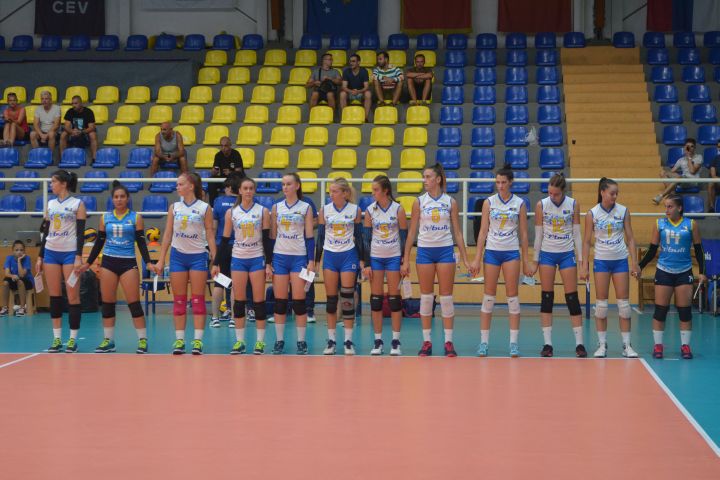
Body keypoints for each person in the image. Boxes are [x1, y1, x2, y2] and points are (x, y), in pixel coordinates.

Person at [402, 163, 470, 357]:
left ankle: (448, 342)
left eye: (428, 177)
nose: (425, 180)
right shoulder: (419, 202)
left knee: (446, 298)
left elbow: (457, 232)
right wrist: (405, 259)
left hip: (445, 251)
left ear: (438, 179)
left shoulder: (450, 202)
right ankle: (427, 342)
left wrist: (466, 259)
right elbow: (411, 233)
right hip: (425, 251)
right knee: (426, 297)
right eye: (424, 177)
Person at [78, 181, 154, 354]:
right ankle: (108, 340)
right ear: (112, 199)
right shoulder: (105, 218)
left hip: (128, 262)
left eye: (122, 197)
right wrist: (88, 263)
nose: (119, 199)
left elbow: (141, 243)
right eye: (116, 197)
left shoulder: (136, 217)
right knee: (108, 303)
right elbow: (99, 242)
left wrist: (149, 262)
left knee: (134, 303)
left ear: (127, 199)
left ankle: (142, 340)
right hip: (109, 262)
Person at [470, 167, 531, 358]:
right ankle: (483, 342)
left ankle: (513, 343)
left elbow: (523, 234)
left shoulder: (519, 203)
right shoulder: (489, 202)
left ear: (510, 182)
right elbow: (482, 231)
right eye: (498, 182)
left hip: (511, 252)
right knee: (488, 297)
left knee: (512, 298)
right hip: (492, 252)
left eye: (504, 182)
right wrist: (477, 258)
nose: (500, 186)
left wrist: (526, 260)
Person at [636, 194, 706, 359]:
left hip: (684, 272)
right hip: (664, 271)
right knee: (660, 310)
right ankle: (658, 345)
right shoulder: (659, 224)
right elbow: (652, 249)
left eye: (670, 206)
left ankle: (685, 346)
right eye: (665, 207)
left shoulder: (691, 224)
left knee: (685, 311)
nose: (666, 210)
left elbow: (699, 249)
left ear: (679, 208)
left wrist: (703, 272)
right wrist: (640, 266)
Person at [154, 173, 216, 355]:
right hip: (178, 257)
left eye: (180, 184)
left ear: (191, 186)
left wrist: (215, 260)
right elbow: (167, 234)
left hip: (198, 257)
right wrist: (161, 259)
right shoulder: (174, 207)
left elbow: (210, 234)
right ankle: (179, 340)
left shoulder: (204, 207)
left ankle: (197, 341)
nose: (177, 187)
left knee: (197, 300)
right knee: (179, 300)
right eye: (177, 184)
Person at [581, 178, 641, 358]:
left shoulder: (623, 211)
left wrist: (634, 262)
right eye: (612, 193)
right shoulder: (592, 213)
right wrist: (584, 266)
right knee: (601, 306)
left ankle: (627, 345)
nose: (615, 196)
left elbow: (630, 238)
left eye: (616, 194)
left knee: (624, 305)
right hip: (601, 261)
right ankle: (602, 345)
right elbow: (586, 242)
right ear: (602, 192)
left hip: (620, 261)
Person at [212, 177, 272, 354]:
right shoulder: (231, 212)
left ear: (254, 190)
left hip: (256, 258)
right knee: (239, 302)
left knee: (259, 301)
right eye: (245, 188)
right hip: (238, 258)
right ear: (239, 190)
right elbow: (224, 240)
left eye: (251, 188)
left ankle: (260, 342)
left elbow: (267, 240)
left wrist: (269, 263)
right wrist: (216, 263)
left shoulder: (262, 211)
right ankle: (240, 342)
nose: (248, 191)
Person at [528, 174, 586, 357]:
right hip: (547, 255)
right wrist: (535, 261)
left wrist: (582, 262)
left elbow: (577, 234)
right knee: (547, 297)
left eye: (556, 194)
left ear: (563, 192)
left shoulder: (573, 204)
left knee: (572, 298)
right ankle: (547, 344)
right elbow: (538, 235)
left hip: (567, 254)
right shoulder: (541, 205)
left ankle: (579, 344)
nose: (552, 197)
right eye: (550, 193)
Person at [36, 170, 86, 353]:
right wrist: (40, 256)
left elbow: (81, 234)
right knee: (55, 297)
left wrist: (78, 256)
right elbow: (45, 232)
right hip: (51, 252)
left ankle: (72, 340)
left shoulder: (77, 204)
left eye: (53, 182)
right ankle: (57, 339)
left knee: (73, 297)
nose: (51, 185)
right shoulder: (50, 204)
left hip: (69, 253)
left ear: (64, 184)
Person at [268, 173, 315, 354]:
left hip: (299, 257)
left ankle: (301, 341)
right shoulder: (276, 207)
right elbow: (272, 236)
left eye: (288, 184)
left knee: (299, 302)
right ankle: (279, 341)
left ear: (297, 186)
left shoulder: (305, 207)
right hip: (280, 257)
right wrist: (269, 261)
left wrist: (311, 261)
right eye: (283, 184)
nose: (285, 187)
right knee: (280, 302)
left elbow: (310, 236)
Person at [316, 177, 363, 355]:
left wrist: (362, 260)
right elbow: (320, 236)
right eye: (330, 191)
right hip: (330, 256)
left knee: (347, 298)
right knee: (331, 300)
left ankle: (348, 341)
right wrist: (316, 260)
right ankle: (331, 340)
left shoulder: (355, 210)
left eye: (335, 191)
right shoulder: (325, 210)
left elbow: (360, 237)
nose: (331, 194)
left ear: (345, 193)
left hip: (348, 255)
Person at [362, 175, 408, 355]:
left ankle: (396, 341)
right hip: (376, 257)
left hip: (394, 257)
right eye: (372, 190)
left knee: (395, 300)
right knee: (376, 299)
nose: (373, 193)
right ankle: (378, 341)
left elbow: (404, 237)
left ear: (385, 190)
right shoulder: (370, 210)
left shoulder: (398, 209)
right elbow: (366, 239)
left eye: (376, 190)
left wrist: (404, 260)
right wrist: (367, 263)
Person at [210, 173, 241, 328]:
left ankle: (215, 318)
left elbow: (214, 227)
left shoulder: (218, 202)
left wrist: (213, 249)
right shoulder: (242, 202)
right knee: (235, 284)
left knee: (219, 282)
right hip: (239, 247)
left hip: (222, 246)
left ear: (229, 187)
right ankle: (234, 318)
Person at [653, 137, 702, 205]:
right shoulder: (681, 160)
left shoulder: (698, 157)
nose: (690, 148)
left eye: (692, 146)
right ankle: (672, 195)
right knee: (663, 173)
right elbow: (672, 171)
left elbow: (692, 171)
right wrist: (669, 175)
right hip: (682, 180)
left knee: (679, 178)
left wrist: (689, 158)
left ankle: (661, 196)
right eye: (687, 146)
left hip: (692, 181)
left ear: (694, 148)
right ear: (684, 148)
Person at [0, 241, 33, 317]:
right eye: (16, 250)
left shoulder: (27, 258)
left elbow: (21, 275)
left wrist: (19, 261)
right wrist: (12, 276)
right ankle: (5, 308)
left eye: (21, 250)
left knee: (20, 281)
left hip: (26, 281)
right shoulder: (9, 258)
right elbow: (7, 273)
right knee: (5, 283)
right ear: (13, 251)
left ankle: (22, 308)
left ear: (24, 251)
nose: (19, 252)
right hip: (14, 279)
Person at [59, 95, 97, 160]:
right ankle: (63, 158)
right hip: (73, 131)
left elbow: (92, 127)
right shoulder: (70, 111)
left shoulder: (88, 112)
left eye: (76, 103)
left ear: (81, 103)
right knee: (63, 134)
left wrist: (82, 131)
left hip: (85, 132)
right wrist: (72, 131)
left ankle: (94, 158)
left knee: (92, 134)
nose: (74, 105)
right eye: (72, 103)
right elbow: (66, 126)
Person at [210, 136, 245, 204]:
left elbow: (239, 171)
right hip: (223, 179)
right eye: (222, 146)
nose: (223, 148)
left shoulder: (236, 154)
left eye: (225, 146)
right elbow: (215, 168)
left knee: (236, 179)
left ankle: (238, 203)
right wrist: (214, 171)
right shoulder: (218, 155)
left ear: (230, 145)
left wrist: (230, 172)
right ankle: (213, 205)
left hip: (234, 179)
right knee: (211, 181)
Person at [340, 54, 372, 121]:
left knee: (368, 94)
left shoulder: (364, 71)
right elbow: (344, 87)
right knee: (342, 94)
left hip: (361, 92)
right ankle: (345, 116)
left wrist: (358, 91)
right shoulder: (346, 71)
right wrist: (351, 91)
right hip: (350, 92)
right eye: (350, 61)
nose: (351, 63)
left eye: (353, 61)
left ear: (358, 62)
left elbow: (366, 87)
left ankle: (365, 118)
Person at [708, 141, 720, 212]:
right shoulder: (715, 159)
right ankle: (711, 207)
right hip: (718, 182)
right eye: (719, 147)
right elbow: (713, 175)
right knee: (711, 183)